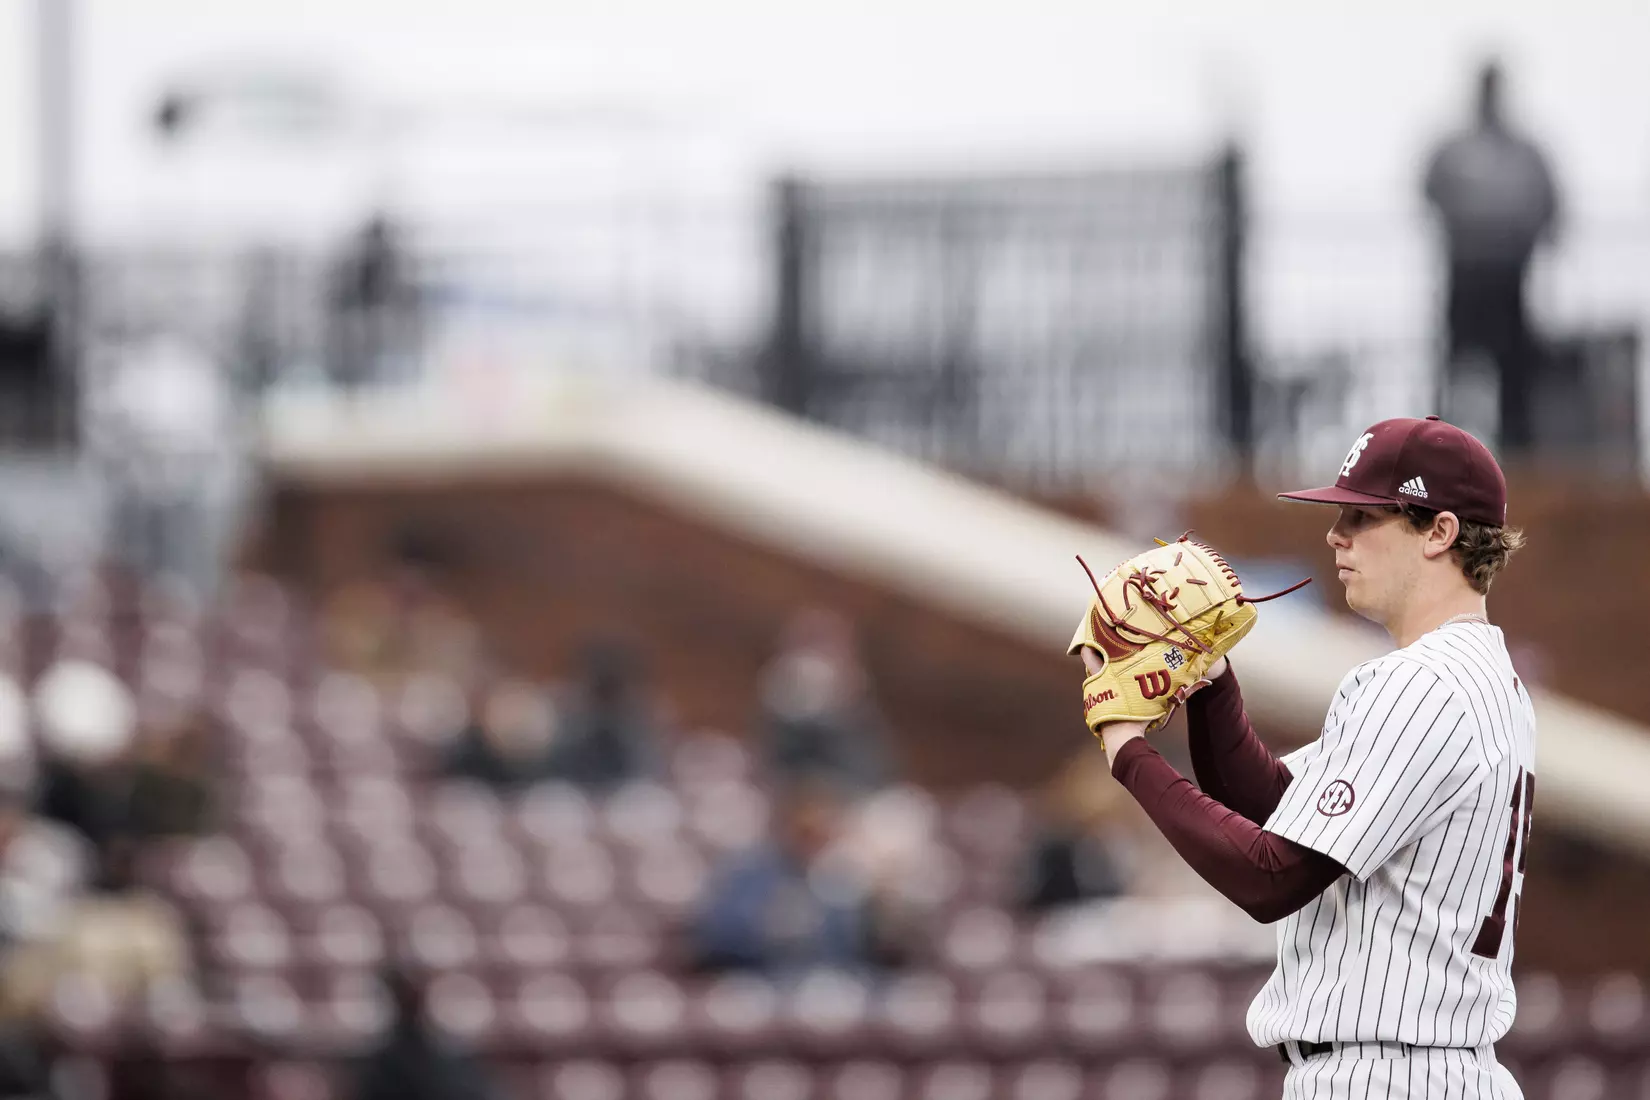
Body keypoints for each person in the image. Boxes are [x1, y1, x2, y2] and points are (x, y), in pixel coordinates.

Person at [1089, 416, 1532, 1098]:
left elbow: (1271, 878)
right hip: (1424, 1068)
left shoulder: (1421, 684)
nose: (1336, 535)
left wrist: (1127, 749)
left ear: (1440, 533)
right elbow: (1273, 804)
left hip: (1391, 1074)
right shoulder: (1476, 676)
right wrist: (1213, 684)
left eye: (1362, 516)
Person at [1423, 60, 1561, 460]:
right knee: (1454, 369)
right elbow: (1429, 190)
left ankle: (1520, 454)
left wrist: (1526, 237)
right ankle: (1438, 454)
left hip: (1510, 278)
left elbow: (1549, 204)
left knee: (1515, 374)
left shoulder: (1526, 152)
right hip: (1465, 275)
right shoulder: (1452, 149)